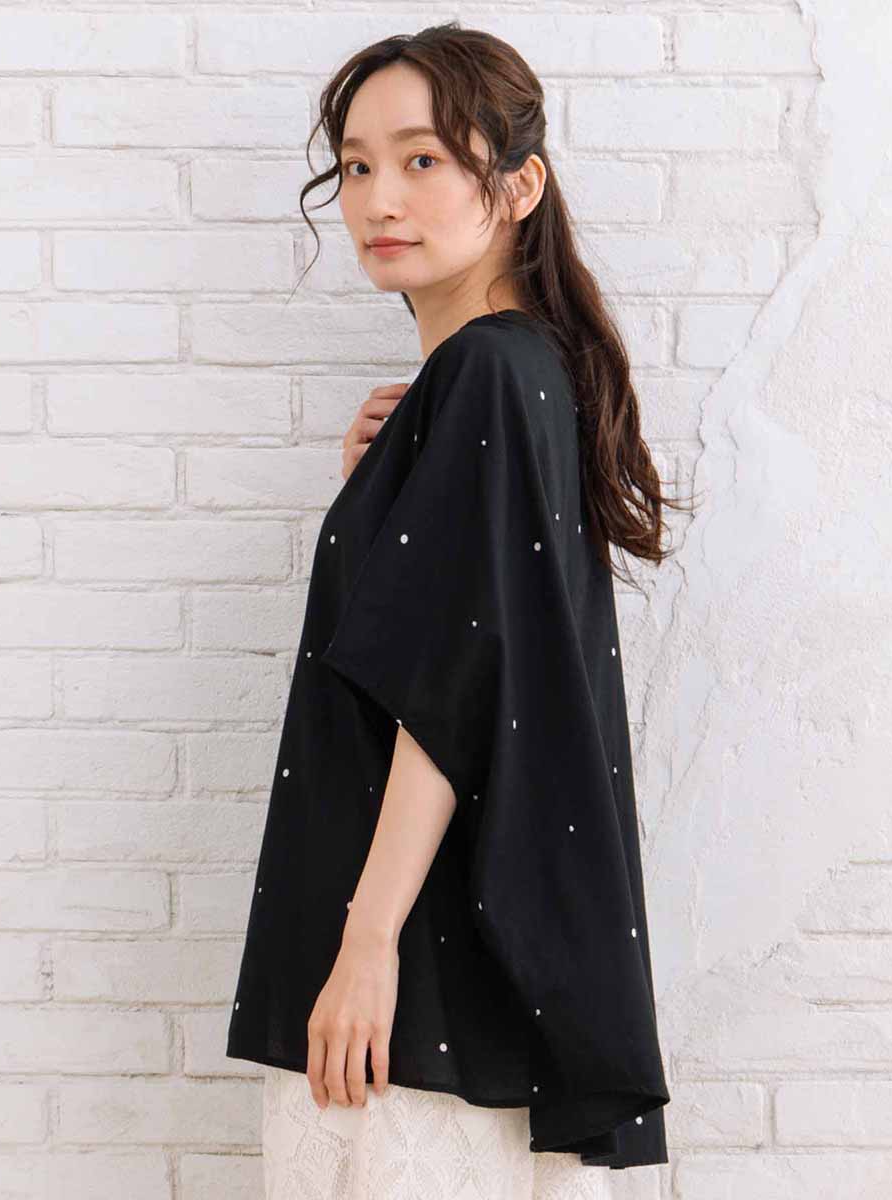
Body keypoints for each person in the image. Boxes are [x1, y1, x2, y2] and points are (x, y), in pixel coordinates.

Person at [226, 21, 691, 1200]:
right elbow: (463, 636)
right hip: (450, 975)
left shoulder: (488, 372)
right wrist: (378, 493)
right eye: (357, 164)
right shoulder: (507, 374)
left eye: (423, 159)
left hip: (412, 972)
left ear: (519, 186)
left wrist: (366, 941)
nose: (378, 197)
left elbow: (454, 692)